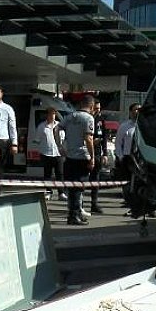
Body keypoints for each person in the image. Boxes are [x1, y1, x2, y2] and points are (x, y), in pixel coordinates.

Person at [58, 95, 95, 226]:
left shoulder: (70, 116)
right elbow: (88, 139)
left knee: (71, 187)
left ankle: (75, 213)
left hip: (70, 156)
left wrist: (60, 146)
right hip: (82, 156)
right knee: (79, 188)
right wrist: (92, 157)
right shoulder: (89, 118)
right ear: (91, 106)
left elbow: (57, 129)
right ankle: (74, 215)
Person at [33, 107, 67, 201]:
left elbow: (64, 139)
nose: (52, 116)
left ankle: (61, 193)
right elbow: (37, 139)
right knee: (47, 174)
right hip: (46, 153)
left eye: (53, 114)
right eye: (50, 114)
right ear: (47, 115)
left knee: (60, 174)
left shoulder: (60, 126)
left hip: (58, 153)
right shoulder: (41, 126)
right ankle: (48, 192)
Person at [88, 99, 107, 214]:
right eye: (95, 108)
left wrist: (105, 153)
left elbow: (104, 136)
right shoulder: (86, 119)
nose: (98, 111)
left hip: (98, 151)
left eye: (99, 109)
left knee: (96, 178)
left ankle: (94, 203)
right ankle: (78, 204)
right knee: (84, 179)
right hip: (86, 152)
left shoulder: (100, 119)